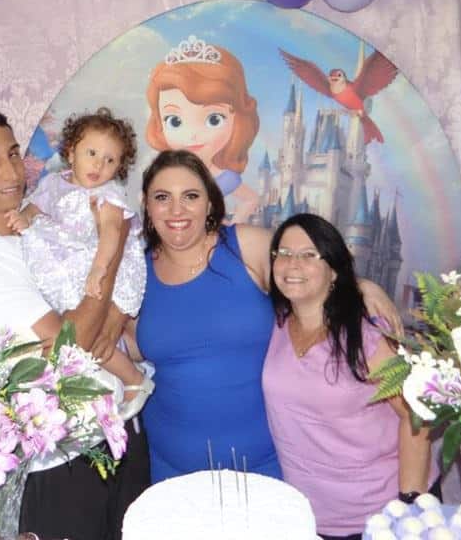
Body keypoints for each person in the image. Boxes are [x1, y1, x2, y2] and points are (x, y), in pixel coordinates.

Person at [0, 103, 150, 540]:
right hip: (64, 463)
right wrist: (109, 259)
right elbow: (73, 345)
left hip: (123, 427)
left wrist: (111, 315)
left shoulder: (44, 218)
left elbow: (108, 318)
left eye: (13, 153)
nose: (11, 172)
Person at [133, 149, 403, 483]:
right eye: (162, 197)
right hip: (172, 471)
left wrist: (361, 285)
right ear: (147, 205)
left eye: (191, 196)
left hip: (264, 467)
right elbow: (131, 345)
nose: (177, 209)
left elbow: (307, 269)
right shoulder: (135, 272)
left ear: (210, 204)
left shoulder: (245, 246)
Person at [262, 213, 438, 540]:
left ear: (333, 270)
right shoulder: (276, 322)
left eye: (309, 254)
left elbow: (416, 414)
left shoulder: (367, 332)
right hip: (307, 515)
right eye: (283, 253)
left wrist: (410, 507)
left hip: (381, 515)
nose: (292, 264)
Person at [5, 107, 153, 419]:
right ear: (71, 152)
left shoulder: (107, 195)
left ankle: (135, 379)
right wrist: (24, 218)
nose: (99, 165)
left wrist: (98, 269)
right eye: (92, 153)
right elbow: (35, 207)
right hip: (71, 261)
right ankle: (113, 377)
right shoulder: (53, 184)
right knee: (74, 329)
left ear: (120, 167)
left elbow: (111, 234)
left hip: (106, 264)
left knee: (91, 334)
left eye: (110, 160)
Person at [145, 36, 260, 222]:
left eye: (214, 119)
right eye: (175, 121)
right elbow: (145, 198)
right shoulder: (165, 173)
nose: (192, 135)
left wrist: (231, 226)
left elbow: (251, 199)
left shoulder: (224, 178)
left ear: (237, 119)